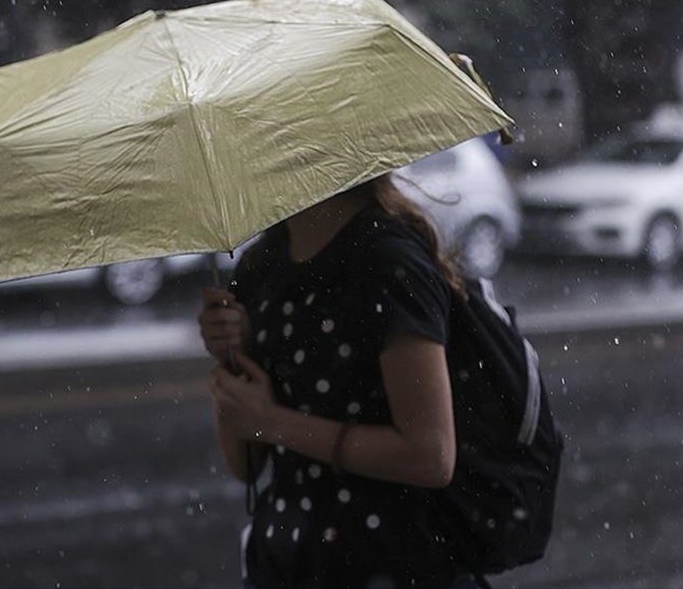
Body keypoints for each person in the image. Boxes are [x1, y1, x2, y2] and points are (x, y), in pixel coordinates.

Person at [197, 172, 478, 589]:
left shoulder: (388, 263)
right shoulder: (261, 267)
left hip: (392, 564)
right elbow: (247, 466)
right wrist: (232, 361)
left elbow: (431, 456)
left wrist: (271, 421)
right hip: (286, 565)